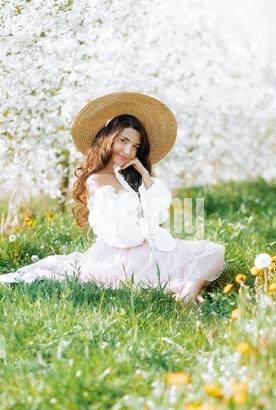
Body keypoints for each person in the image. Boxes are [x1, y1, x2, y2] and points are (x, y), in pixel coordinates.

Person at [0, 91, 225, 304]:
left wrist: (145, 174)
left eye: (135, 146)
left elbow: (158, 218)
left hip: (141, 248)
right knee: (191, 260)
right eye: (123, 141)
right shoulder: (96, 180)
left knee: (212, 252)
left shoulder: (125, 177)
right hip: (117, 257)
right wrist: (146, 232)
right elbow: (119, 234)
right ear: (109, 139)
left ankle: (189, 292)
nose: (128, 151)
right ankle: (188, 291)